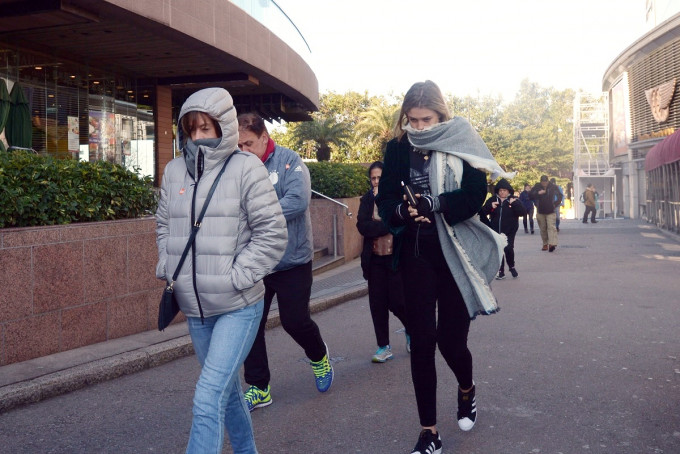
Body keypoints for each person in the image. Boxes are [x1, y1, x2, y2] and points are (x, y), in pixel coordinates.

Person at [375, 80, 511, 454]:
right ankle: (429, 432)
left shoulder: (460, 140)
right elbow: (386, 199)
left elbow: (473, 196)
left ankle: (466, 390)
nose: (418, 128)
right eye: (412, 120)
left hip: (456, 255)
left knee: (452, 344)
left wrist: (435, 204)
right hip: (417, 256)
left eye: (426, 119)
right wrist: (403, 211)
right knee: (422, 343)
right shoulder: (398, 149)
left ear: (441, 115)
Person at [155, 88, 287, 454]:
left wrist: (236, 277)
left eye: (205, 128)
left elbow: (273, 234)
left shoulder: (246, 167)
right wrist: (169, 268)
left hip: (239, 306)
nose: (198, 137)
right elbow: (164, 225)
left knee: (207, 394)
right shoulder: (173, 170)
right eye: (191, 129)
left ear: (223, 128)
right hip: (195, 309)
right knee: (226, 393)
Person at [237, 112, 334, 412]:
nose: (243, 151)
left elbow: (297, 200)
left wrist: (258, 212)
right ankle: (259, 386)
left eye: (248, 144)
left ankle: (318, 356)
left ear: (264, 138)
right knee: (250, 326)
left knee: (295, 321)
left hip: (292, 261)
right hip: (256, 262)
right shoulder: (236, 168)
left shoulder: (290, 161)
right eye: (238, 145)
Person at [356, 161, 410, 362]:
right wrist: (385, 225)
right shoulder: (367, 200)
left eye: (379, 177)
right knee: (377, 304)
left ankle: (410, 330)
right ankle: (383, 346)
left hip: (395, 260)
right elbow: (362, 225)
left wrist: (383, 223)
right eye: (373, 178)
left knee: (398, 302)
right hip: (374, 260)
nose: (376, 181)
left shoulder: (396, 198)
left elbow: (401, 222)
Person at [480, 178, 526, 279]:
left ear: (508, 191)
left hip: (509, 230)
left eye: (504, 190)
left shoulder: (513, 200)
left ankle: (512, 266)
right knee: (498, 249)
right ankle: (501, 271)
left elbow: (522, 212)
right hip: (495, 230)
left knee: (508, 249)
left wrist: (514, 204)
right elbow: (482, 213)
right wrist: (490, 207)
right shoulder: (492, 200)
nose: (502, 192)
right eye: (500, 190)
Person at [530, 175, 562, 252]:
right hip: (540, 210)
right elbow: (530, 196)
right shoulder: (537, 187)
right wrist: (538, 193)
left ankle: (552, 244)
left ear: (548, 181)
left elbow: (560, 196)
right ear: (541, 181)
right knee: (543, 228)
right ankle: (545, 243)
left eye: (545, 182)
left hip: (551, 210)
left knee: (551, 227)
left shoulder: (553, 187)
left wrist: (555, 204)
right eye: (543, 182)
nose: (544, 183)